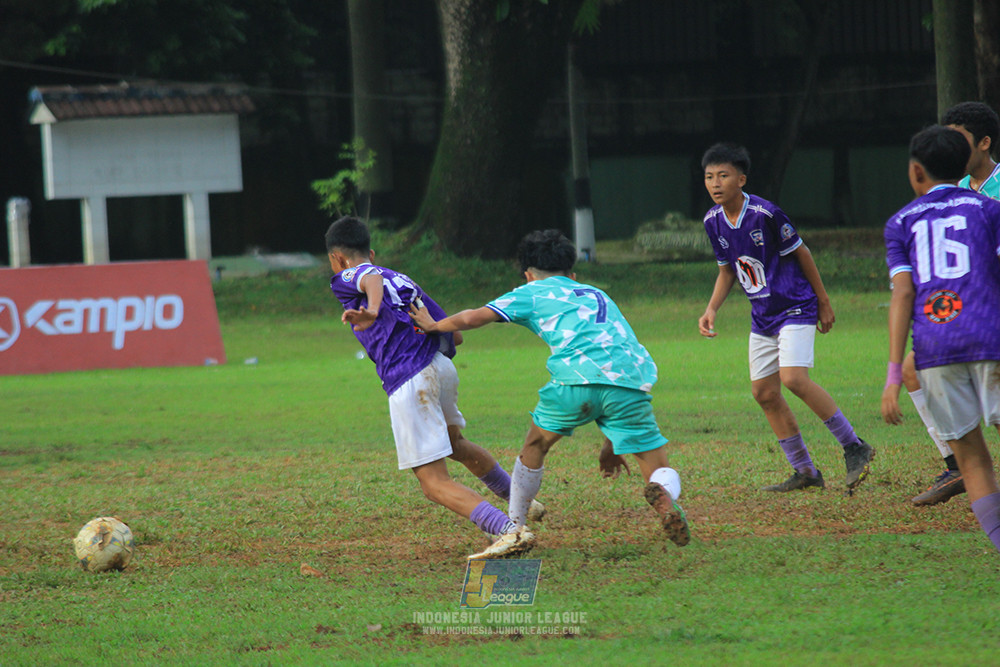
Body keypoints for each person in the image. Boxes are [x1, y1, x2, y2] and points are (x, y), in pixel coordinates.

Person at [410, 229, 690, 559]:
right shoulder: (598, 294)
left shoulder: (530, 292)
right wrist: (612, 442)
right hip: (630, 380)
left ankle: (513, 526)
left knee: (535, 445)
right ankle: (668, 500)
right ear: (572, 274)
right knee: (655, 465)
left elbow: (473, 317)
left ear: (529, 275)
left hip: (575, 380)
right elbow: (609, 351)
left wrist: (434, 325)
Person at [324, 216, 542, 558]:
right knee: (456, 444)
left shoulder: (351, 274)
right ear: (373, 249)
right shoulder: (404, 279)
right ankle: (522, 501)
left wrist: (372, 311)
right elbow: (452, 333)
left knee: (432, 482)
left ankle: (507, 530)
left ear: (338, 258)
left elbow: (370, 275)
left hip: (409, 376)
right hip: (440, 366)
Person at [697, 142, 874, 493]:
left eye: (723, 175)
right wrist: (711, 308)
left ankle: (855, 446)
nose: (715, 183)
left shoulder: (765, 214)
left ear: (741, 179)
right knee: (764, 392)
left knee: (793, 379)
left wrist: (823, 301)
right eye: (709, 177)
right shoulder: (712, 221)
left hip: (795, 305)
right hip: (762, 315)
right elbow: (727, 270)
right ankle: (806, 472)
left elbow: (802, 253)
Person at [881, 125, 1000, 554]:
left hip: (934, 350)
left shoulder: (900, 223)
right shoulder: (989, 209)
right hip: (991, 337)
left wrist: (895, 373)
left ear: (916, 172)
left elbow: (904, 295)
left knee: (971, 458)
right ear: (963, 165)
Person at [904, 101, 1000, 506]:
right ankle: (956, 465)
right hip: (965, 315)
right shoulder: (955, 192)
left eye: (957, 139)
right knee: (912, 370)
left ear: (983, 143)